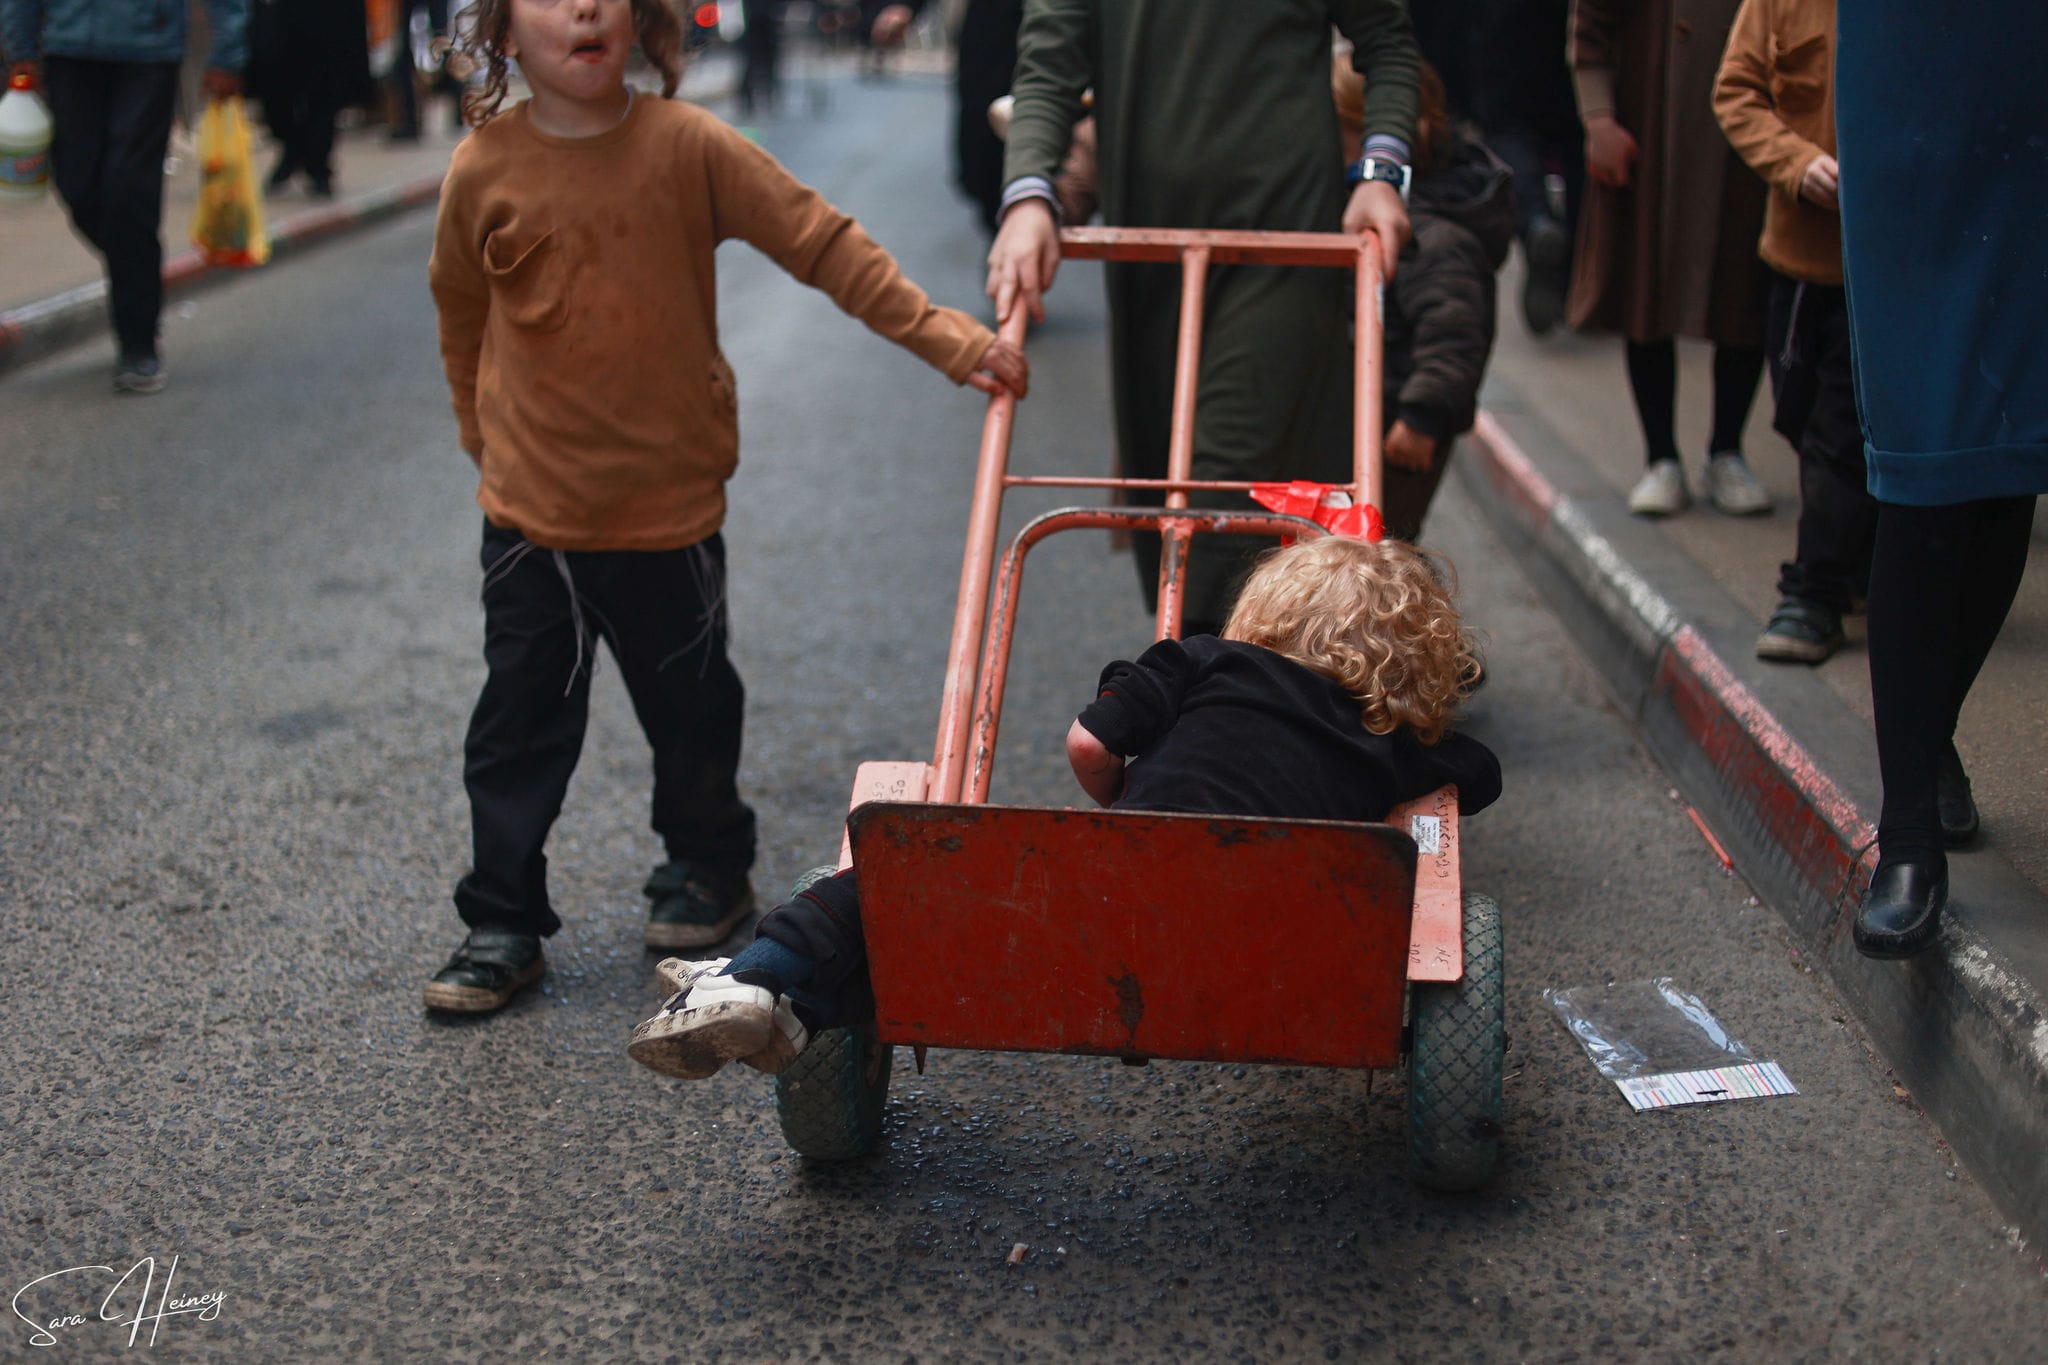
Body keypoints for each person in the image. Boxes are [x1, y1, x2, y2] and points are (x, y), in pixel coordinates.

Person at [420, 0, 1029, 1014]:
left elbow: (821, 243)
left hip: (669, 511)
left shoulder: (689, 146)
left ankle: (707, 867)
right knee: (517, 727)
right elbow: (460, 316)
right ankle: (502, 917)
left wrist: (949, 339)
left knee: (694, 710)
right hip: (531, 520)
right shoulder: (482, 169)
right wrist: (480, 440)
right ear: (502, 31)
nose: (584, 7)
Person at [625, 534, 1502, 1080]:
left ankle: (759, 980)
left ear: (1266, 611)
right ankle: (782, 1011)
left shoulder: (1202, 660)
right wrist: (1414, 726)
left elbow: (1088, 745)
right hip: (1269, 937)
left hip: (1116, 900)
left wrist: (1126, 800)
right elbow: (1478, 775)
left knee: (899, 897)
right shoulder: (1389, 741)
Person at [987, 0, 1422, 637]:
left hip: (1284, 239)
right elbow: (1048, 64)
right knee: (1174, 491)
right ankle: (1226, 672)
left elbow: (1388, 40)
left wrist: (1380, 173)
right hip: (1151, 253)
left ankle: (1196, 683)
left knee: (1217, 490)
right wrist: (1029, 193)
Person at [1833, 2, 2048, 958]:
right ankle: (1909, 835)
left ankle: (1927, 739)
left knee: (2010, 461)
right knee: (1927, 467)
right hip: (1913, 81)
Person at [1566, 0, 1773, 520]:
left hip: (1748, 131)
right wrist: (1598, 119)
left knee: (1743, 293)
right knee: (1646, 291)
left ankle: (1727, 451)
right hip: (1649, 123)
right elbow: (1589, 28)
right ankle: (1661, 458)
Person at [1713, 0, 1871, 665]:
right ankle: (1857, 555)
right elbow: (1736, 92)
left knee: (1840, 431)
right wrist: (1798, 164)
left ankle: (1815, 593)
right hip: (1804, 257)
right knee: (1801, 417)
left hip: (1894, 272)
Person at [1, 0, 247, 393]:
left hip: (149, 51)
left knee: (129, 189)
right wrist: (20, 48)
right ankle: (137, 275)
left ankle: (138, 343)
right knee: (77, 186)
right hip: (70, 51)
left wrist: (227, 53)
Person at [1334, 58, 1515, 543]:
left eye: (1339, 136)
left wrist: (1422, 418)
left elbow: (1454, 334)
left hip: (1398, 432)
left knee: (1376, 548)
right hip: (1368, 421)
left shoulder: (1435, 236)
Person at [246, 0, 373, 198]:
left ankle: (317, 163)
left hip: (329, 18)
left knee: (326, 91)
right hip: (282, 17)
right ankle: (293, 148)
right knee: (273, 87)